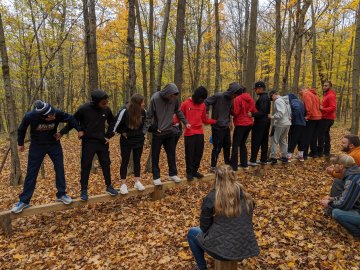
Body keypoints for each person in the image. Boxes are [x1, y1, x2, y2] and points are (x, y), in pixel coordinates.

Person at [11, 100, 81, 213]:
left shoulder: (56, 113)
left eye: (53, 114)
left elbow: (71, 119)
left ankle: (62, 194)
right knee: (31, 172)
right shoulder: (30, 116)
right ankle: (24, 201)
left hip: (54, 144)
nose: (53, 117)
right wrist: (20, 143)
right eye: (50, 116)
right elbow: (22, 128)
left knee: (59, 168)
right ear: (42, 116)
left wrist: (74, 131)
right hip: (37, 146)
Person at [187, 165, 259, 270]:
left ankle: (202, 267)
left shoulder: (213, 196)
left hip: (223, 250)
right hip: (245, 246)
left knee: (192, 233)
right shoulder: (245, 194)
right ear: (233, 177)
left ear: (217, 178)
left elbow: (204, 227)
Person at [60, 89, 118, 201]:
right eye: (103, 102)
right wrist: (63, 132)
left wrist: (109, 135)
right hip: (88, 142)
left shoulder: (106, 110)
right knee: (85, 166)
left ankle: (109, 186)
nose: (106, 104)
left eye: (106, 101)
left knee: (105, 164)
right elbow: (72, 121)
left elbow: (113, 122)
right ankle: (84, 191)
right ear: (96, 101)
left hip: (102, 142)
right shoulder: (83, 109)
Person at [144, 83, 190, 185]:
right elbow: (149, 115)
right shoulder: (155, 98)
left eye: (174, 95)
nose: (173, 97)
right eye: (171, 95)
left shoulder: (174, 99)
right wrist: (147, 130)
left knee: (171, 153)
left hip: (169, 131)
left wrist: (185, 122)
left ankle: (172, 174)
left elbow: (178, 111)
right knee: (155, 155)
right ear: (166, 92)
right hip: (158, 133)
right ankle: (156, 177)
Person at [175, 86, 216, 180]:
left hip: (199, 132)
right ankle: (189, 172)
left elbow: (205, 120)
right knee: (189, 154)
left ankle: (194, 171)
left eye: (204, 99)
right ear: (197, 96)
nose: (202, 101)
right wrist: (174, 124)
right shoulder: (185, 104)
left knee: (199, 153)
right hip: (189, 133)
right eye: (201, 98)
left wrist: (215, 121)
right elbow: (178, 115)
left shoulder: (203, 105)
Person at [113, 94, 146, 194]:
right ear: (137, 104)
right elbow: (116, 125)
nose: (144, 104)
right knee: (125, 161)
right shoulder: (124, 111)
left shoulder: (143, 112)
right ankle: (123, 184)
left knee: (137, 161)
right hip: (126, 141)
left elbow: (147, 124)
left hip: (139, 140)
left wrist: (147, 132)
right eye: (142, 102)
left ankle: (137, 181)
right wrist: (122, 132)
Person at [205, 83, 243, 172]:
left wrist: (230, 122)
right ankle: (213, 166)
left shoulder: (231, 99)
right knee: (217, 147)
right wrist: (206, 113)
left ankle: (227, 165)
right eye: (235, 94)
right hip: (217, 127)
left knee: (227, 146)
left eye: (237, 95)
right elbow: (206, 101)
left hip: (226, 126)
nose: (235, 96)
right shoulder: (218, 96)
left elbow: (229, 111)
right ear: (231, 91)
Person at [320, 154, 360, 238]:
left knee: (336, 213)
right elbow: (346, 196)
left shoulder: (352, 179)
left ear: (341, 166)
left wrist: (329, 203)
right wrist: (332, 198)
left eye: (335, 164)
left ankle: (357, 233)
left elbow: (344, 205)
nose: (333, 166)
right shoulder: (354, 173)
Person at [230, 86, 257, 170]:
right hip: (249, 124)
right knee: (242, 143)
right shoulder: (251, 99)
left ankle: (233, 166)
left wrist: (231, 111)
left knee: (235, 144)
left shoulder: (237, 99)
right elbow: (254, 111)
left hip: (241, 123)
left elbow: (236, 112)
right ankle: (244, 163)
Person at [249, 81, 271, 166]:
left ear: (260, 88)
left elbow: (262, 111)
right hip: (266, 122)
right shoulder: (266, 97)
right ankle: (263, 159)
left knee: (256, 140)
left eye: (256, 89)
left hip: (260, 122)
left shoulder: (263, 98)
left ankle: (253, 160)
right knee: (264, 141)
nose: (255, 91)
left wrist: (252, 114)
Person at [268, 90, 292, 164]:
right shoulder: (285, 100)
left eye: (271, 97)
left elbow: (281, 112)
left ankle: (273, 158)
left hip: (280, 123)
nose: (272, 99)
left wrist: (272, 116)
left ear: (274, 95)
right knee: (282, 140)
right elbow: (289, 112)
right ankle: (285, 157)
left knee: (274, 140)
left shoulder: (278, 101)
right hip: (287, 123)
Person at [299, 87, 322, 159]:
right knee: (314, 136)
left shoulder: (306, 94)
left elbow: (309, 105)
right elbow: (318, 106)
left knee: (306, 136)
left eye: (300, 93)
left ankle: (304, 154)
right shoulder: (315, 95)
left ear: (302, 90)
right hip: (318, 117)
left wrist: (307, 116)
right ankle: (314, 153)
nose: (301, 95)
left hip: (312, 118)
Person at [317, 81, 337, 157]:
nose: (324, 87)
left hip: (327, 118)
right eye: (323, 85)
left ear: (330, 86)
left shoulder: (331, 95)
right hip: (327, 118)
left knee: (321, 135)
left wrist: (323, 109)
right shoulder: (327, 95)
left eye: (326, 86)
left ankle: (320, 152)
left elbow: (333, 108)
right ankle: (326, 151)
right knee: (326, 134)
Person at [287, 93, 306, 161]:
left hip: (296, 124)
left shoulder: (293, 102)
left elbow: (297, 109)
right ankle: (301, 156)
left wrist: (292, 116)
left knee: (292, 139)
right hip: (303, 124)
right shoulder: (301, 102)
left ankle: (289, 156)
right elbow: (305, 112)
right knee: (301, 140)